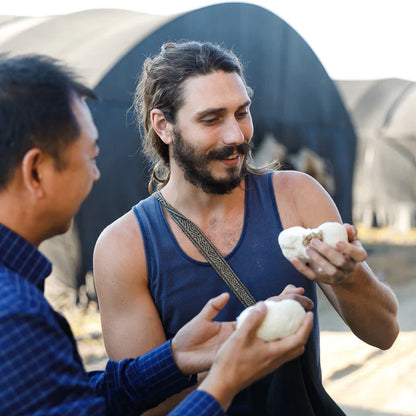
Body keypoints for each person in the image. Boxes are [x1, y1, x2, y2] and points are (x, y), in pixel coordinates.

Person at [93, 41, 399, 415]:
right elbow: (148, 409)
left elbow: (385, 333)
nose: (235, 135)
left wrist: (351, 278)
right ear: (164, 126)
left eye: (242, 112)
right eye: (212, 119)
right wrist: (249, 339)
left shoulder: (297, 196)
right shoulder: (124, 246)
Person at [0, 53, 314, 416]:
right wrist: (222, 383)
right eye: (90, 157)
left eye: (242, 112)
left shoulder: (18, 298)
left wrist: (175, 358)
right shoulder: (14, 317)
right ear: (35, 172)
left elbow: (68, 397)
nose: (96, 174)